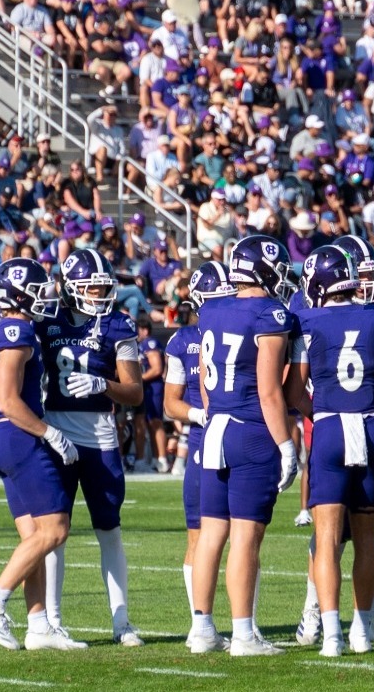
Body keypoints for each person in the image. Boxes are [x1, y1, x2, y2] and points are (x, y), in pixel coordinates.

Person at [287, 243, 374, 657]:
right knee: (367, 538)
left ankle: (331, 634)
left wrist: (320, 411)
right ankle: (363, 630)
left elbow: (293, 389)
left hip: (329, 429)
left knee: (326, 538)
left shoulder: (306, 320)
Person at [187, 234, 300, 657]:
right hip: (252, 430)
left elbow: (203, 376)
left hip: (215, 425)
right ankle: (244, 635)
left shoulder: (213, 308)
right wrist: (285, 444)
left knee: (211, 533)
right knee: (246, 538)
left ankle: (201, 628)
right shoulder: (270, 313)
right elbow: (271, 392)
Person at [0, 257, 82, 651]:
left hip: (6, 436)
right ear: (18, 295)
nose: (45, 297)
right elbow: (10, 400)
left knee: (34, 537)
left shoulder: (5, 329)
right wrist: (51, 433)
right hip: (19, 435)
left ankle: (39, 626)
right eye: (38, 291)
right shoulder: (16, 330)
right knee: (55, 530)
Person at [42, 247, 146, 647]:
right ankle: (51, 621)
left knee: (109, 529)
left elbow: (135, 392)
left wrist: (104, 384)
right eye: (90, 288)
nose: (100, 295)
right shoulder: (46, 321)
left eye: (104, 287)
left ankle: (121, 621)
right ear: (70, 289)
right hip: (56, 434)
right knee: (54, 531)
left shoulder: (118, 324)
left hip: (100, 433)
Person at [164, 262, 227, 625]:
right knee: (198, 534)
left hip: (239, 435)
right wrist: (198, 414)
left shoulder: (245, 329)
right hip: (203, 439)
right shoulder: (182, 340)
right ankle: (199, 622)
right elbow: (170, 403)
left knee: (245, 535)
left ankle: (241, 623)